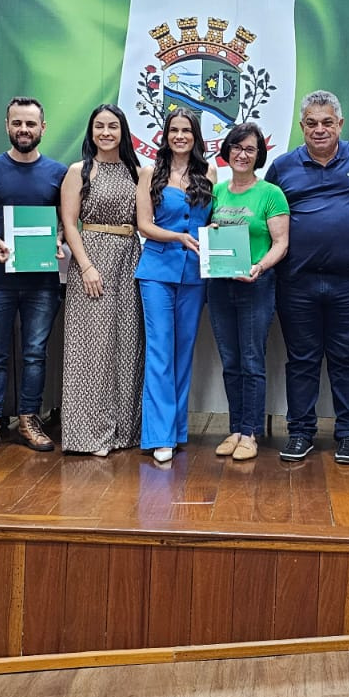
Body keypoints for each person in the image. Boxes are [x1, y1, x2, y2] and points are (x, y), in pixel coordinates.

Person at [266, 90, 349, 464]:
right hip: (296, 281)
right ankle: (300, 432)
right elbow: (266, 210)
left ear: (340, 124)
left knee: (346, 359)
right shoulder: (283, 166)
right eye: (311, 123)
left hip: (348, 281)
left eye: (327, 122)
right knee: (301, 360)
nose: (319, 129)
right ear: (301, 126)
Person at [0, 97, 68, 456]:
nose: (24, 129)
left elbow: (67, 221)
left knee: (35, 354)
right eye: (17, 123)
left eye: (30, 124)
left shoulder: (58, 172)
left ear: (42, 128)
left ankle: (28, 420)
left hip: (42, 282)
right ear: (7, 126)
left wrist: (58, 239)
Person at [59, 104, 143, 455]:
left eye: (112, 126)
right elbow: (70, 223)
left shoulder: (137, 171)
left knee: (127, 344)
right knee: (92, 348)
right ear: (91, 131)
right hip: (92, 259)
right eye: (99, 126)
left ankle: (124, 432)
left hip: (130, 260)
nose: (106, 132)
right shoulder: (79, 170)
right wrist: (86, 266)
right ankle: (89, 434)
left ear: (123, 131)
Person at [206, 122, 290, 462]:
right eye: (237, 147)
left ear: (259, 155)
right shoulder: (216, 192)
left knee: (252, 360)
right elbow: (204, 232)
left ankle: (250, 432)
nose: (242, 154)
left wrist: (260, 267)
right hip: (219, 285)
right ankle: (235, 429)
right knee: (230, 361)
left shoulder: (271, 193)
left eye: (250, 149)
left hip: (256, 285)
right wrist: (210, 229)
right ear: (227, 151)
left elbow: (281, 243)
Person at [135, 108, 215, 463]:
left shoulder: (209, 172)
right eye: (174, 130)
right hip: (156, 271)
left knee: (184, 352)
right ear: (165, 136)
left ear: (196, 137)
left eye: (186, 130)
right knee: (160, 351)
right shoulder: (149, 172)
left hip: (195, 272)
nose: (180, 136)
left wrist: (214, 231)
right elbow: (143, 225)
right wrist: (178, 237)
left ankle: (177, 429)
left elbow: (211, 220)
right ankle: (159, 436)